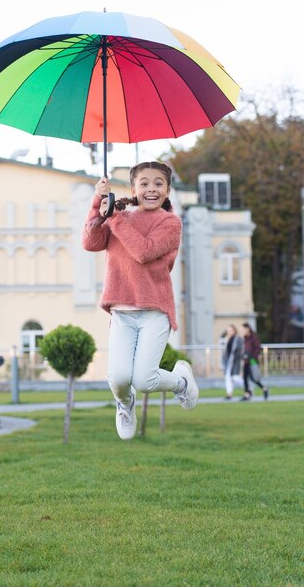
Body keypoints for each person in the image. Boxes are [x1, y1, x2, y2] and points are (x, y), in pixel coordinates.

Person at [82, 161, 199, 440]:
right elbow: (91, 242)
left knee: (144, 380)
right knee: (120, 380)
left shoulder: (170, 223)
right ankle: (125, 405)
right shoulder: (120, 217)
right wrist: (98, 201)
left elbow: (144, 251)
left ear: (168, 190)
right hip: (122, 310)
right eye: (144, 183)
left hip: (155, 310)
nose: (151, 189)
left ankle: (181, 381)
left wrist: (113, 217)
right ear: (133, 189)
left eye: (158, 183)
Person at [241, 323, 269, 401]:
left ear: (248, 329)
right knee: (245, 378)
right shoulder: (245, 338)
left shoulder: (254, 337)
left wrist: (253, 357)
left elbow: (258, 347)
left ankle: (264, 388)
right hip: (246, 360)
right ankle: (247, 394)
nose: (242, 331)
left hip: (252, 361)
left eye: (243, 329)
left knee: (253, 378)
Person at [221, 324, 244, 400]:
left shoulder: (237, 338)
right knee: (228, 377)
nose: (228, 332)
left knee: (235, 377)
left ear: (234, 331)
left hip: (235, 361)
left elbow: (239, 350)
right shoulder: (227, 339)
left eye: (230, 330)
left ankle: (248, 389)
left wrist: (236, 358)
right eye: (227, 331)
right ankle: (229, 394)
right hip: (228, 361)